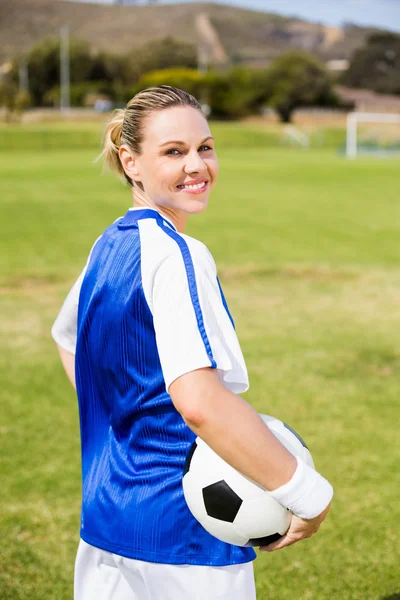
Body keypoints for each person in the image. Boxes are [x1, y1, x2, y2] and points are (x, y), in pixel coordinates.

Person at [51, 85, 333, 600]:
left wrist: (126, 424)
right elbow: (200, 403)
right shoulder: (177, 255)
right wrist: (308, 494)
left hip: (106, 519)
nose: (197, 165)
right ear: (130, 161)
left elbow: (67, 339)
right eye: (174, 152)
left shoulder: (110, 242)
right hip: (182, 532)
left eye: (204, 147)